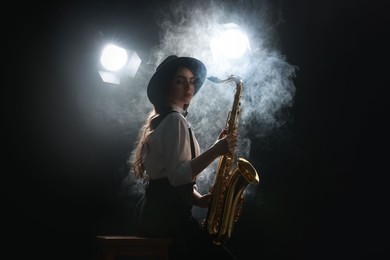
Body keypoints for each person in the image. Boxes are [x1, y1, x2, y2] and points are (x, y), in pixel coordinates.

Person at [130, 55, 237, 259]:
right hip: (167, 219)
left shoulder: (167, 120)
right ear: (167, 87)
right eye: (180, 81)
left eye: (191, 81)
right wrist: (216, 150)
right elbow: (177, 177)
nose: (188, 86)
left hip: (155, 214)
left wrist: (198, 199)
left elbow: (170, 177)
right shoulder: (174, 121)